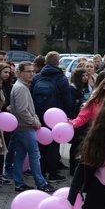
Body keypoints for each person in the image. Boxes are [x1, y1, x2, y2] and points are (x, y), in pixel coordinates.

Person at [8, 62, 55, 193]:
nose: (31, 74)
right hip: (25, 127)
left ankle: (19, 183)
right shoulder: (21, 88)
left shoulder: (21, 86)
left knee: (21, 155)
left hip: (22, 126)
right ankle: (41, 183)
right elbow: (22, 110)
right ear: (19, 73)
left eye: (32, 71)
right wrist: (34, 122)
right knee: (34, 155)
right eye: (28, 71)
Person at [30, 51, 73, 183]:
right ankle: (53, 174)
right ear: (57, 63)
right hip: (55, 116)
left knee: (41, 144)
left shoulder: (37, 77)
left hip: (39, 115)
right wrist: (69, 116)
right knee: (54, 145)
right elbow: (68, 100)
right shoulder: (61, 78)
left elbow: (31, 96)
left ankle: (42, 172)